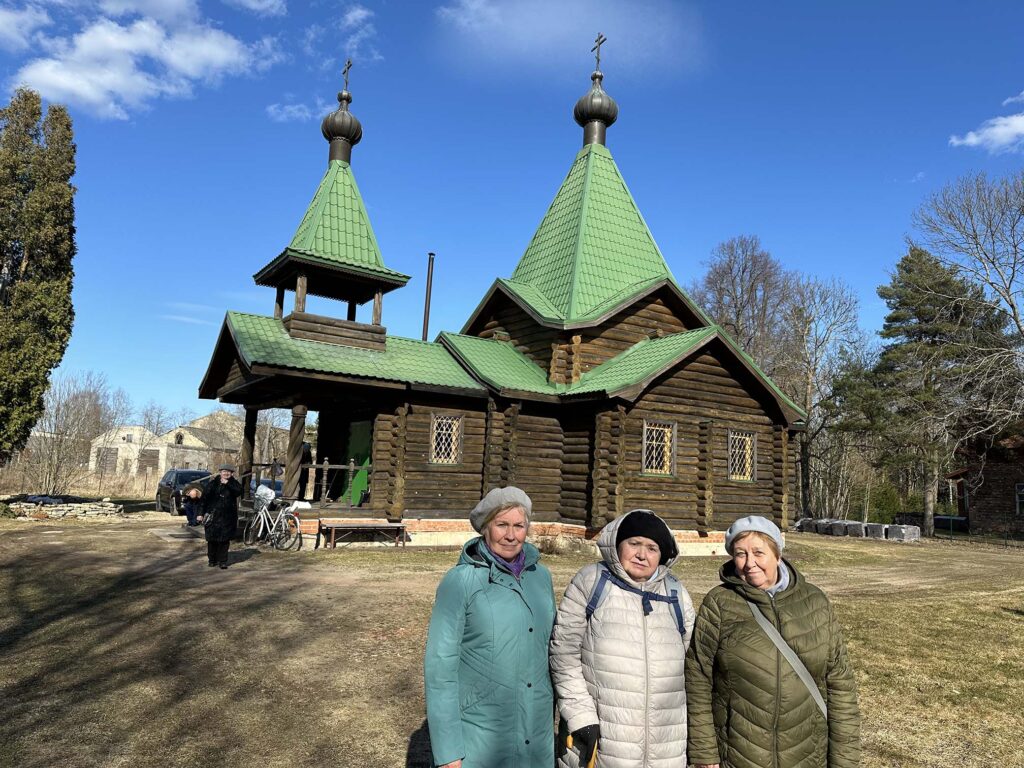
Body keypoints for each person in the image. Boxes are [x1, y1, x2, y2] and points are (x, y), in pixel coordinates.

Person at [685, 516, 861, 768]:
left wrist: (844, 760)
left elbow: (840, 684)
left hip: (807, 754)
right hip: (738, 754)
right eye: (740, 554)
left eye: (759, 552)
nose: (750, 563)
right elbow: (698, 677)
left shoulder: (815, 602)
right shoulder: (719, 604)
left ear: (777, 555)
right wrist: (704, 751)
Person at [549, 508, 695, 768]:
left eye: (652, 548)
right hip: (602, 740)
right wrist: (580, 716)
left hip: (666, 748)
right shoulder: (592, 582)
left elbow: (693, 668)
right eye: (634, 543)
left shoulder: (676, 593)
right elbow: (563, 655)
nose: (642, 554)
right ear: (617, 545)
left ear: (662, 554)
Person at [424, 487, 556, 768]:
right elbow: (440, 668)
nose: (511, 535)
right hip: (480, 736)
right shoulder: (461, 581)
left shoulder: (541, 577)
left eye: (519, 526)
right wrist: (448, 751)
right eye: (502, 525)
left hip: (536, 733)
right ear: (486, 528)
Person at [201, 464, 242, 569]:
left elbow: (238, 492)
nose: (226, 473)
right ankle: (212, 560)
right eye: (224, 471)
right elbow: (204, 499)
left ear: (231, 473)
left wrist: (228, 484)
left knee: (224, 540)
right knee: (212, 540)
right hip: (212, 516)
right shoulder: (212, 484)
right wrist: (200, 513)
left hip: (227, 517)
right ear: (220, 472)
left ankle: (222, 561)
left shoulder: (234, 483)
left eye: (228, 472)